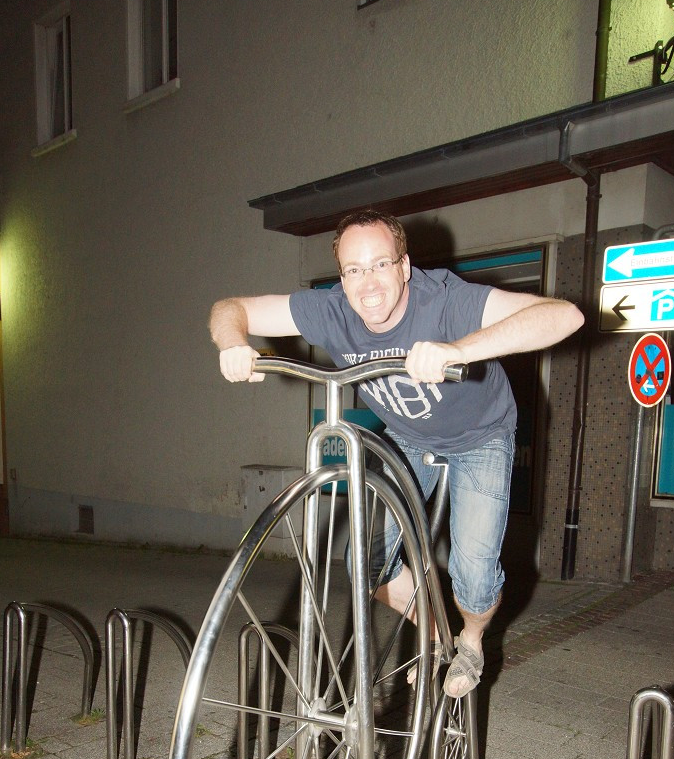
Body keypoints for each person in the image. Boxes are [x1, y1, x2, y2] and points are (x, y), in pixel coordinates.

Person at [210, 210, 583, 697]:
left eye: (381, 264)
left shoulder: (446, 301)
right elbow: (230, 307)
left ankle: (470, 641)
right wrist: (232, 343)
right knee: (364, 563)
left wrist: (460, 350)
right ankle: (435, 634)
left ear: (404, 267)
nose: (368, 284)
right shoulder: (332, 311)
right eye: (353, 270)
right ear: (341, 276)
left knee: (472, 573)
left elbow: (564, 316)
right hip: (410, 435)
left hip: (481, 435)